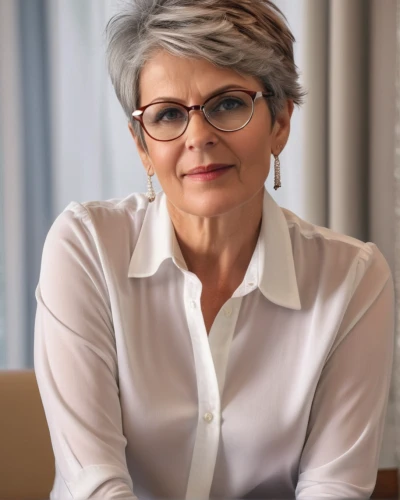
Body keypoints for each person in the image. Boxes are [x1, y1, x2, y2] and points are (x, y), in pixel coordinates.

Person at [34, 0, 394, 498]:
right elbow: (93, 486)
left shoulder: (353, 278)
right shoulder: (86, 248)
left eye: (228, 103)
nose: (198, 137)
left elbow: (335, 487)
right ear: (143, 145)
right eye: (166, 115)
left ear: (280, 122)